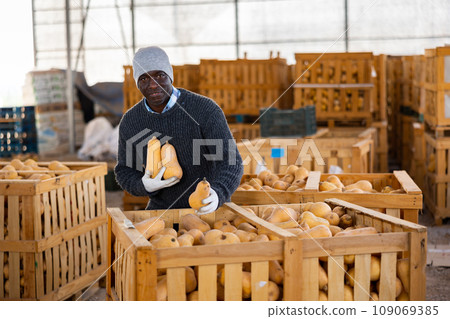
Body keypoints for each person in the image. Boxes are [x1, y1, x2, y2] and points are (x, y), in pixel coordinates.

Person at [115, 46, 243, 215]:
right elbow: (125, 171)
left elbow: (230, 160)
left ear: (170, 76)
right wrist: (143, 185)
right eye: (144, 78)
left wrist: (219, 193)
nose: (153, 85)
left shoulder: (204, 110)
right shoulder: (131, 122)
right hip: (163, 212)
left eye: (160, 75)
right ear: (137, 83)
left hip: (208, 209)